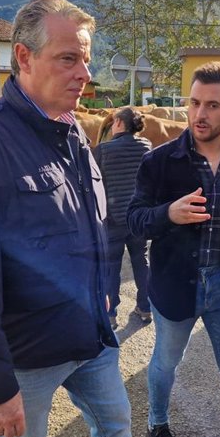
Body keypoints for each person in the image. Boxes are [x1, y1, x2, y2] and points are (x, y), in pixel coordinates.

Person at [0, 0, 134, 437]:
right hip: (27, 356)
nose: (84, 73)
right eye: (68, 59)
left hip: (92, 334)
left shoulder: (73, 133)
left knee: (117, 425)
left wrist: (105, 291)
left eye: (84, 59)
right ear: (23, 57)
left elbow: (94, 224)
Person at [127, 61, 220, 437]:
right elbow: (135, 221)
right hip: (174, 284)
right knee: (165, 365)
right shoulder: (160, 161)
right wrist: (167, 214)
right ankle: (157, 424)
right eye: (194, 102)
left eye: (213, 106)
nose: (200, 114)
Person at [93, 107, 152, 329]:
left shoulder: (103, 150)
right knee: (141, 261)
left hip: (113, 220)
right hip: (139, 218)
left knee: (111, 266)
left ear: (118, 122)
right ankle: (145, 308)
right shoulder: (146, 146)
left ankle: (110, 313)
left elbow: (95, 186)